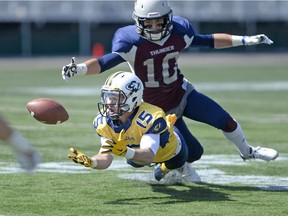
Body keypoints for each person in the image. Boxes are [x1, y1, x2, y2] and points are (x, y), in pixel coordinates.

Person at [62, 0, 278, 171]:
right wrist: (80, 68)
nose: (155, 27)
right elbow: (103, 63)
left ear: (169, 18)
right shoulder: (130, 41)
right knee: (191, 153)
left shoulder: (179, 31)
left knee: (224, 120)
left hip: (181, 93)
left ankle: (247, 151)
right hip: (154, 108)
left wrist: (246, 40)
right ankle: (166, 168)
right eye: (149, 23)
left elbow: (208, 40)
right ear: (139, 21)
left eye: (159, 22)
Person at [68, 71, 200, 182]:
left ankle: (178, 167)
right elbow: (105, 157)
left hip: (171, 151)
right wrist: (92, 162)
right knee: (133, 162)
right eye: (108, 97)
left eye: (116, 98)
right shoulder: (103, 122)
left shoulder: (150, 116)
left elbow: (148, 156)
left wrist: (126, 151)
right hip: (138, 152)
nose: (109, 103)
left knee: (162, 171)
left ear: (132, 98)